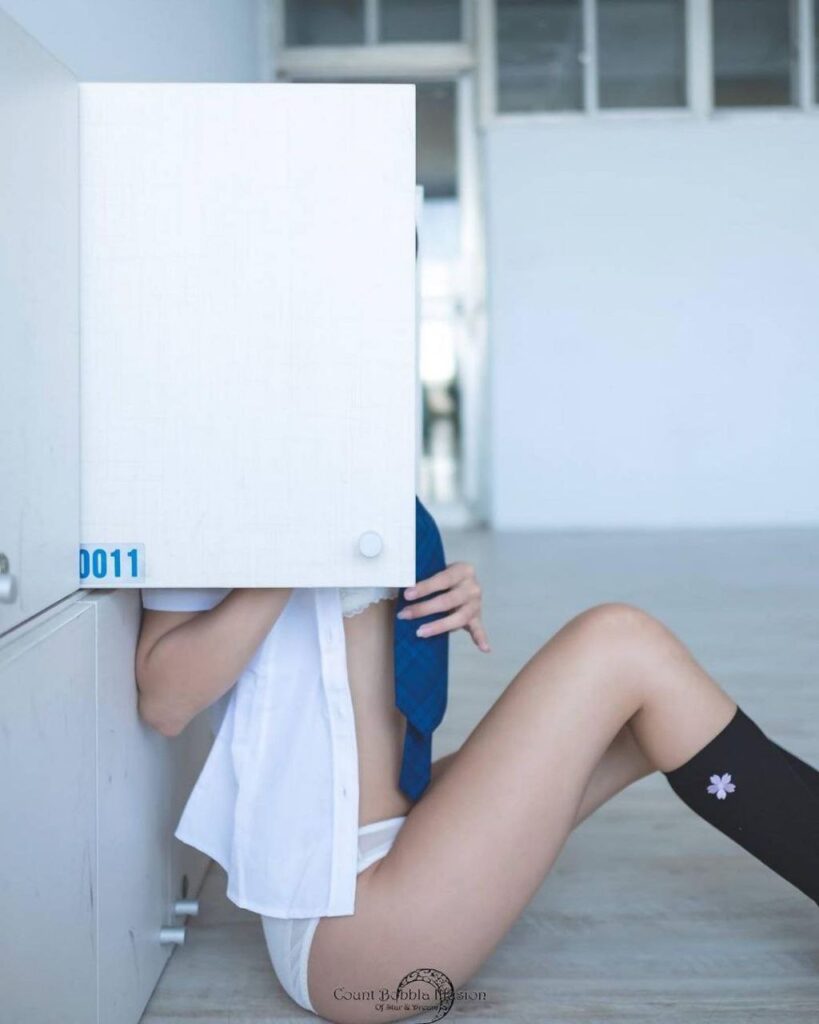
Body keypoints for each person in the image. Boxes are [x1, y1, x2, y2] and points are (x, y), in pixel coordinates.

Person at [136, 533, 819, 1024]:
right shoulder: (223, 485)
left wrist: (443, 588)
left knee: (646, 717)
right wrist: (299, 552)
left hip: (398, 833)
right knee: (620, 642)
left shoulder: (345, 449)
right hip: (346, 922)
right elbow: (165, 701)